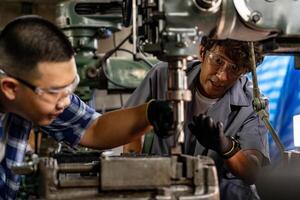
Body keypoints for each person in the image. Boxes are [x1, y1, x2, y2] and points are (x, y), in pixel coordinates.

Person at [0, 15, 172, 200]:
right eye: (56, 91)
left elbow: (94, 128)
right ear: (10, 88)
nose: (65, 102)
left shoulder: (32, 93)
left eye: (70, 87)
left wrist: (148, 113)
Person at [124, 36, 270, 200]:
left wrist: (227, 147)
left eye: (234, 68)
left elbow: (252, 172)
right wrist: (134, 177)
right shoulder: (163, 75)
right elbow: (130, 127)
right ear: (202, 53)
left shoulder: (253, 104)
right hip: (161, 188)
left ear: (244, 71)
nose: (222, 76)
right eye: (218, 61)